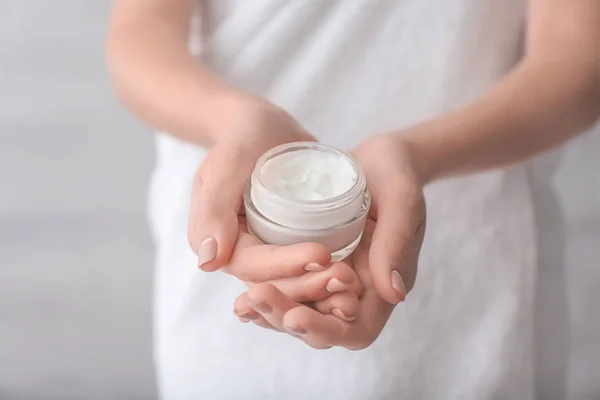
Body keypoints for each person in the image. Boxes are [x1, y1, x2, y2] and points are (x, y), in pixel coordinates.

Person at [106, 0, 600, 398]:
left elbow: (579, 61)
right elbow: (138, 34)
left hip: (477, 275)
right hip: (237, 247)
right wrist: (233, 121)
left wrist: (416, 154)